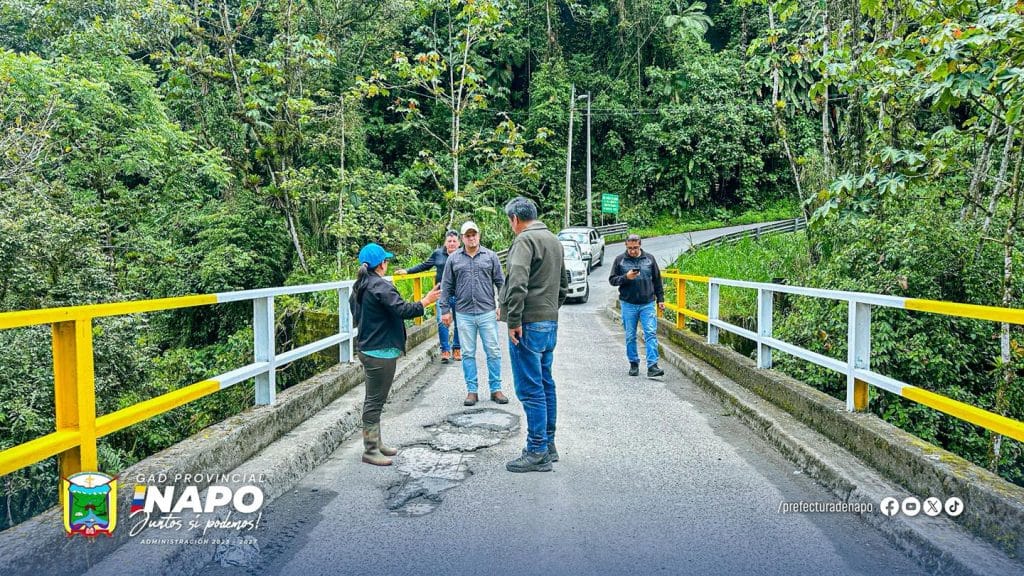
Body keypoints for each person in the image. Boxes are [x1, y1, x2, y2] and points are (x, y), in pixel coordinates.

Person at [351, 242, 441, 466]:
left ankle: (377, 442)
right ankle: (370, 450)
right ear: (381, 264)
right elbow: (403, 310)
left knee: (376, 400)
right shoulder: (381, 286)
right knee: (374, 402)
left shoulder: (359, 287)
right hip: (379, 352)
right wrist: (426, 301)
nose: (387, 263)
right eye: (386, 260)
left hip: (368, 348)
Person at [498, 197, 567, 473]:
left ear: (515, 219)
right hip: (549, 321)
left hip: (527, 323)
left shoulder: (524, 241)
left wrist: (514, 319)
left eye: (510, 222)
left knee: (530, 388)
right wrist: (549, 310)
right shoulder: (553, 239)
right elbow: (563, 283)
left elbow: (517, 280)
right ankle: (548, 445)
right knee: (545, 383)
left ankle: (537, 449)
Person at [440, 221, 508, 406]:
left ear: (479, 235)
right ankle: (472, 390)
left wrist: (502, 304)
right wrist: (445, 310)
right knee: (468, 353)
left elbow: (500, 282)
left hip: (486, 311)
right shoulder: (453, 259)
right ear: (463, 238)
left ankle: (496, 389)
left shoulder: (490, 256)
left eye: (474, 234)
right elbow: (446, 286)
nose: (471, 238)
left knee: (493, 351)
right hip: (464, 313)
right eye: (467, 235)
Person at [396, 230, 462, 364]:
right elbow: (425, 266)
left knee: (460, 324)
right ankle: (445, 350)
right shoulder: (438, 254)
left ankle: (457, 348)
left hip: (460, 294)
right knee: (442, 322)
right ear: (445, 242)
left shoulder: (463, 254)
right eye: (449, 241)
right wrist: (407, 271)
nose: (452, 244)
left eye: (454, 241)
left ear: (459, 243)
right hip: (442, 294)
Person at [609, 233, 666, 378]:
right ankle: (633, 363)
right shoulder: (620, 260)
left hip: (647, 303)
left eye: (635, 247)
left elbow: (657, 280)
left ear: (640, 245)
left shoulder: (649, 259)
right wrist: (626, 278)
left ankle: (652, 365)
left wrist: (660, 299)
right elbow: (612, 280)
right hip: (628, 303)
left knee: (650, 333)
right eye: (630, 248)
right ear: (626, 246)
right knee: (630, 335)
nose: (633, 250)